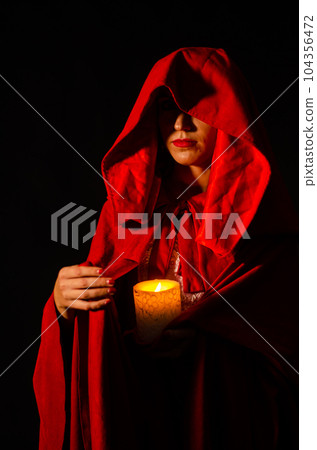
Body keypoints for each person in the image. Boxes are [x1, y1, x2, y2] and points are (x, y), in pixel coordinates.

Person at [33, 47, 298, 450]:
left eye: (198, 110)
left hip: (220, 419)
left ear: (227, 117)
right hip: (138, 412)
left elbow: (288, 343)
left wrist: (210, 336)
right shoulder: (126, 209)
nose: (180, 123)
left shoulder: (263, 220)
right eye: (165, 110)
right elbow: (96, 321)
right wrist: (64, 305)